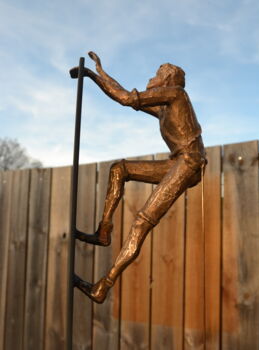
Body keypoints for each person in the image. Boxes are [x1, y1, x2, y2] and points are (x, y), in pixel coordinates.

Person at [70, 52, 206, 303]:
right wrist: (100, 72)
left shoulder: (176, 94)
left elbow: (124, 98)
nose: (151, 78)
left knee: (141, 222)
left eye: (156, 74)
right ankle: (104, 231)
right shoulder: (164, 108)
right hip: (177, 162)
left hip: (189, 163)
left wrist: (91, 75)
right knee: (119, 169)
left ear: (166, 80)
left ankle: (104, 285)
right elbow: (123, 94)